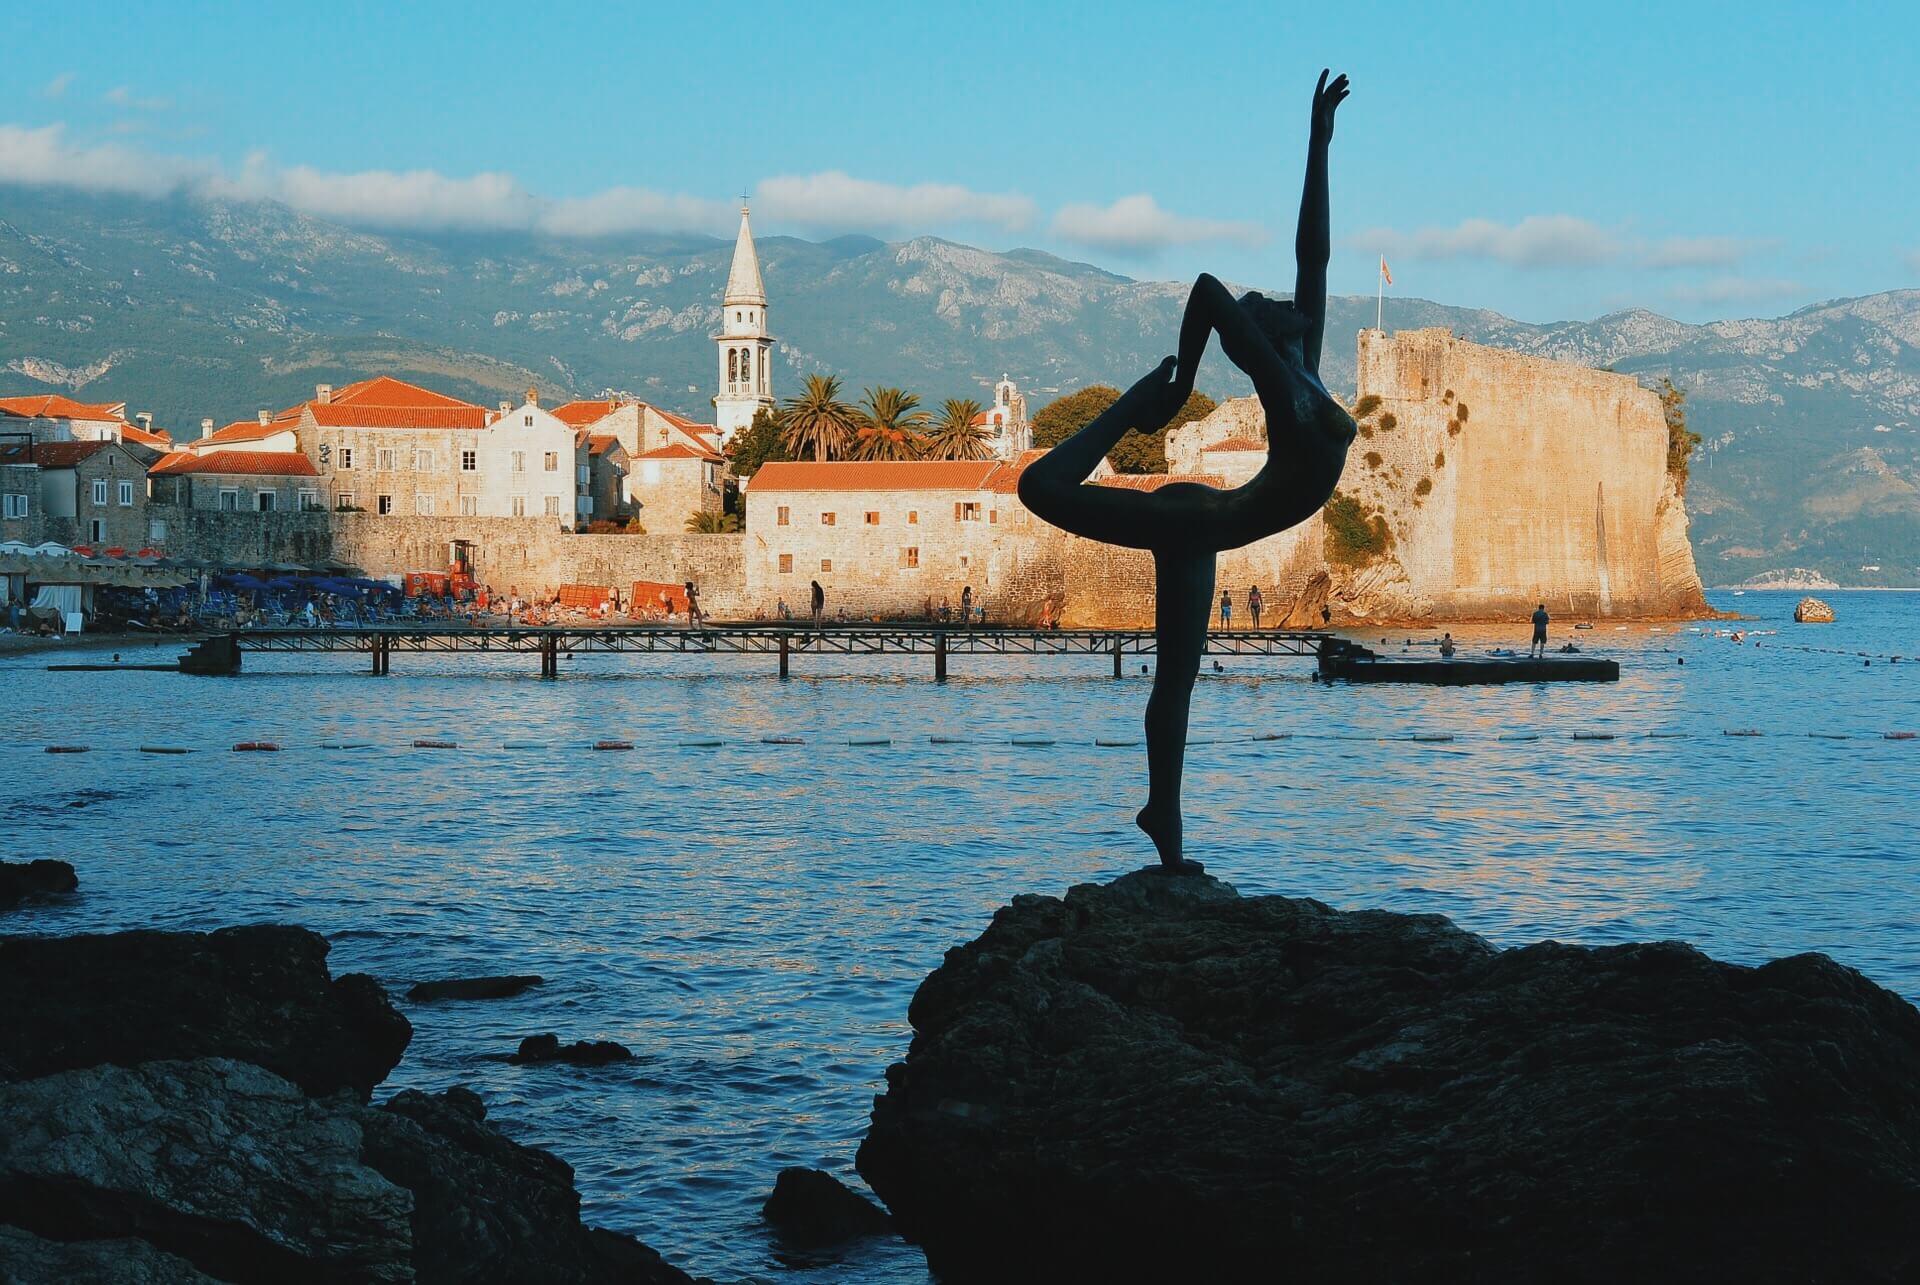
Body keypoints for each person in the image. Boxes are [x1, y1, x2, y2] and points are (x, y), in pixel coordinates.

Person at [1017, 70, 1354, 872]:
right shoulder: (1283, 384)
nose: (1289, 298)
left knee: (1178, 682)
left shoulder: (1301, 365)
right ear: (1263, 338)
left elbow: (1316, 252)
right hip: (1190, 520)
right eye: (1273, 304)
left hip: (1203, 523)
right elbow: (1208, 291)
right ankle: (1126, 405)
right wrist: (1175, 386)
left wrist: (1317, 142)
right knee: (1039, 488)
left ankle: (1163, 825)